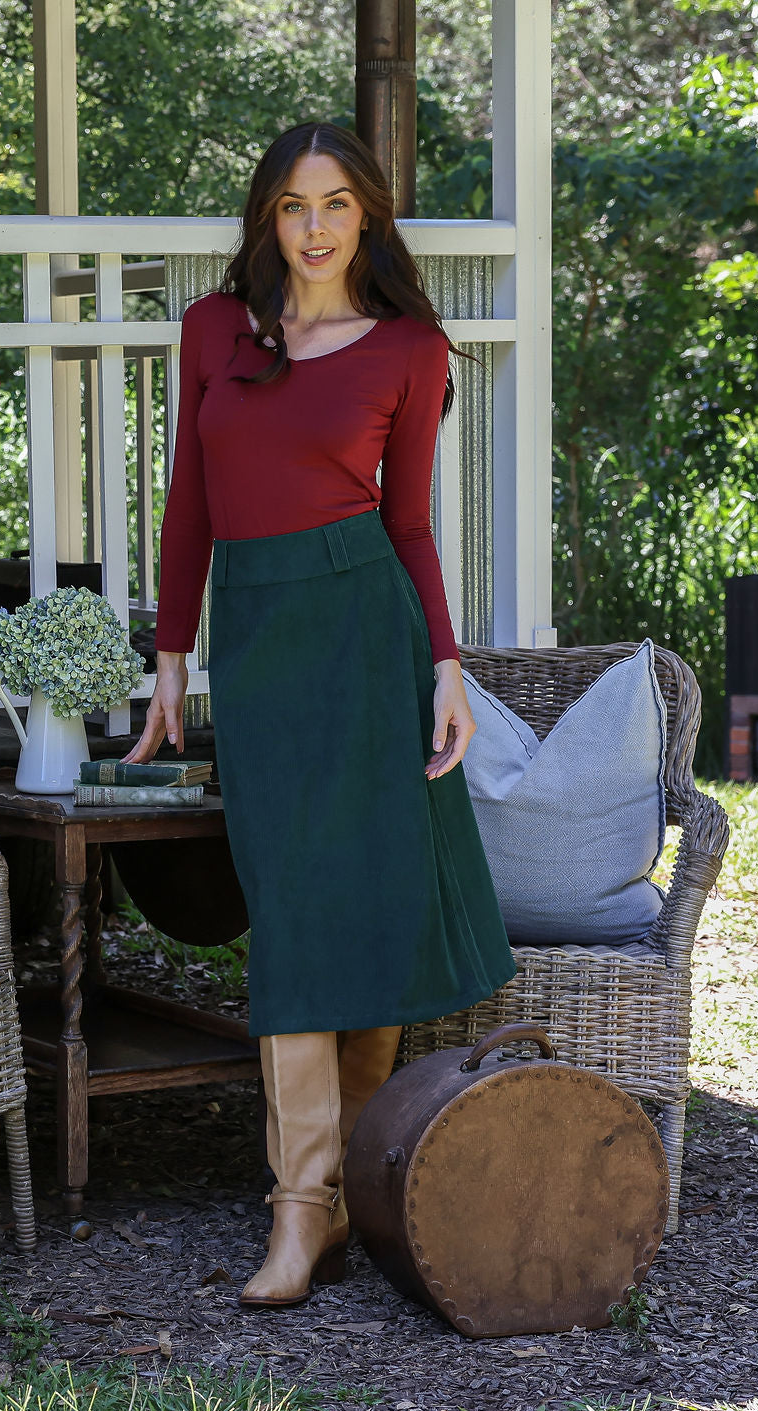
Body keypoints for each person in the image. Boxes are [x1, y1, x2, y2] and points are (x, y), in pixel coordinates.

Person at [124, 121, 515, 1307]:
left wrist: (444, 665)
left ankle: (332, 1192)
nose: (312, 229)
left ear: (368, 217)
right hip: (259, 640)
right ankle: (300, 1206)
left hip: (368, 629)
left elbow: (408, 524)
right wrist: (172, 658)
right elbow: (190, 501)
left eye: (335, 205)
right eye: (291, 207)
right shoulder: (211, 332)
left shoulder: (411, 349)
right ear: (265, 219)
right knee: (290, 913)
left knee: (368, 901)